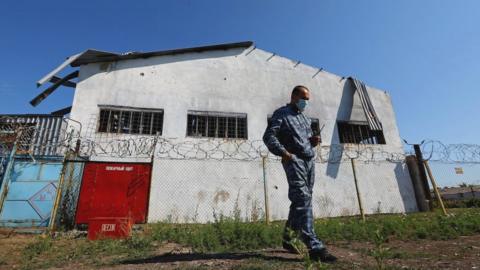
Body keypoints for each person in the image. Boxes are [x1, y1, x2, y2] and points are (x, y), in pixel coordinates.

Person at [263, 85, 337, 263]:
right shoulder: (282, 113)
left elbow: (306, 141)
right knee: (302, 198)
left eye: (308, 99)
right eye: (304, 98)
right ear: (294, 96)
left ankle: (288, 239)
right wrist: (284, 153)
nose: (306, 102)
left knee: (302, 199)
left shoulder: (304, 118)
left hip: (309, 161)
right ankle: (314, 246)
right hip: (294, 160)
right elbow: (269, 136)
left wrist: (313, 141)